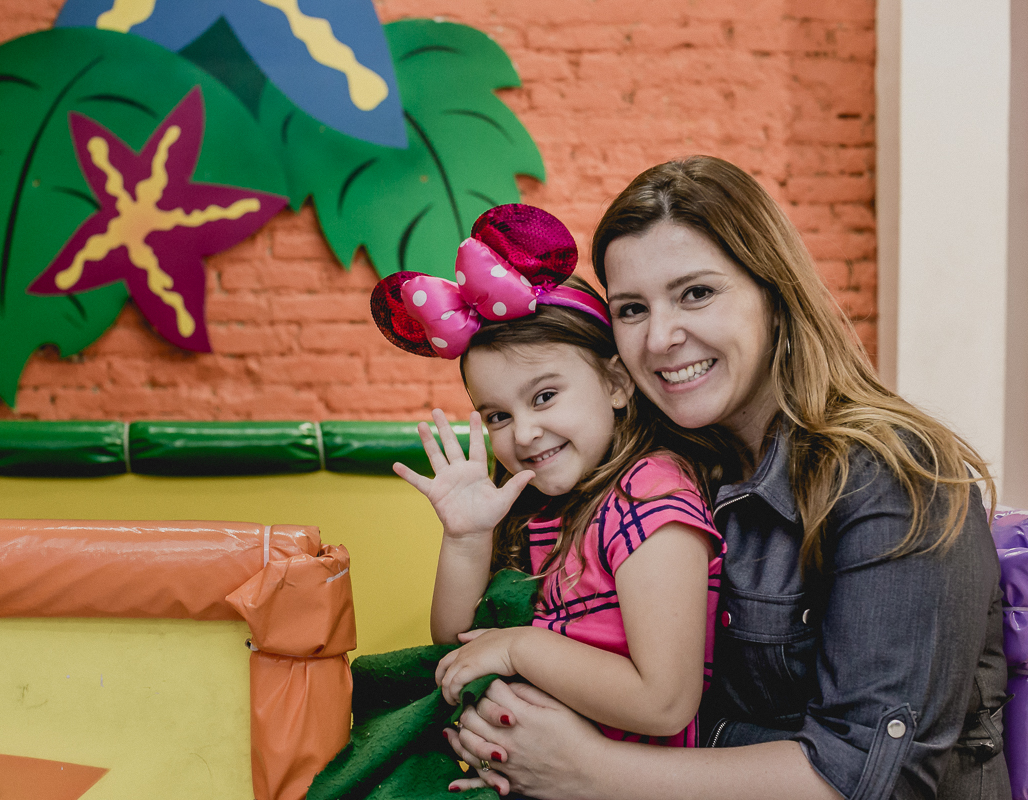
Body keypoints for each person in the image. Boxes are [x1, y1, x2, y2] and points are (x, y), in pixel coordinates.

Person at [445, 156, 1011, 800]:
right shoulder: (654, 472)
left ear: (773, 293)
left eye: (696, 293)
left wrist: (588, 769)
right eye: (632, 308)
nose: (660, 337)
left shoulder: (896, 479)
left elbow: (872, 776)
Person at [370, 203, 736, 791]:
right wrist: (466, 538)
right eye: (497, 415)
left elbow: (664, 701)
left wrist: (518, 648)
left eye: (544, 397)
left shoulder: (649, 494)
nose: (523, 433)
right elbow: (457, 644)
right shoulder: (550, 513)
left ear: (616, 384)